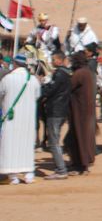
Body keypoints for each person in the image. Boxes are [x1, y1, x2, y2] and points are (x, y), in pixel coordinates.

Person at [0, 54, 42, 184]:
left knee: (10, 145)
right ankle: (29, 175)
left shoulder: (8, 79)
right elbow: (37, 96)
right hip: (28, 120)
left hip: (11, 118)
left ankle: (13, 177)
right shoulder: (33, 80)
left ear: (15, 63)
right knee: (26, 146)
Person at [40, 51, 72, 179]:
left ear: (59, 60)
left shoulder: (59, 74)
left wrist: (41, 87)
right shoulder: (66, 73)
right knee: (55, 140)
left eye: (53, 59)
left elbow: (51, 90)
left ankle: (61, 169)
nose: (52, 62)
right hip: (61, 110)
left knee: (54, 142)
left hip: (55, 111)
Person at [66, 52, 96, 176]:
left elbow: (69, 86)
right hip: (86, 110)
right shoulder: (88, 72)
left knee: (79, 137)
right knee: (83, 137)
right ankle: (83, 161)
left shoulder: (79, 74)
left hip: (79, 110)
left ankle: (81, 166)